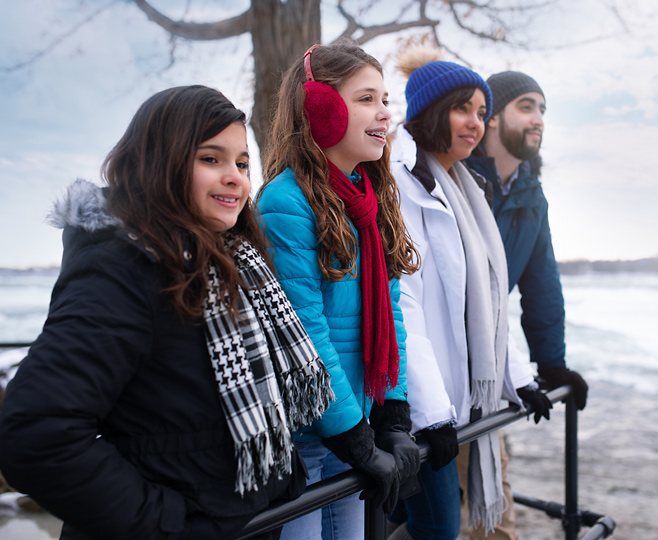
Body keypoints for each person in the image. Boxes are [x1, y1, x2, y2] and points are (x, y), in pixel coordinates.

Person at [0, 85, 335, 539]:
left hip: (247, 518)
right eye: (211, 159)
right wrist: (167, 524)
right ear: (162, 162)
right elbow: (36, 431)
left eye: (241, 163)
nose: (236, 177)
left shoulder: (235, 259)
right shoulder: (123, 267)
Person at [255, 40, 421, 540]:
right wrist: (352, 435)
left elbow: (390, 311)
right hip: (309, 436)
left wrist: (393, 412)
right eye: (366, 98)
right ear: (320, 108)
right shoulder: (285, 202)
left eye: (386, 100)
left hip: (359, 424)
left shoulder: (371, 197)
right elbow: (306, 329)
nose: (384, 114)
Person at [387, 47, 554, 540]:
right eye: (463, 109)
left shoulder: (465, 189)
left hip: (462, 400)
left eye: (481, 112)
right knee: (434, 527)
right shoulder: (400, 186)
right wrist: (431, 412)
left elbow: (483, 308)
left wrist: (520, 379)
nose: (475, 123)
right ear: (428, 113)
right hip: (425, 406)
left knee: (410, 520)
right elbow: (406, 306)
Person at [461, 71, 589, 539]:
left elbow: (542, 286)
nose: (538, 120)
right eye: (527, 107)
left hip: (487, 374)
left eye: (543, 111)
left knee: (493, 513)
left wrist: (551, 364)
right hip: (442, 375)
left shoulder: (531, 194)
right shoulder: (458, 178)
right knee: (430, 514)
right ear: (491, 119)